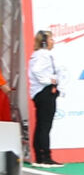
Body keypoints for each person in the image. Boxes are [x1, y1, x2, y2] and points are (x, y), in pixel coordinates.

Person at [27, 30, 63, 167]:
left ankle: (40, 156)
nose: (53, 41)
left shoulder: (38, 55)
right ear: (44, 41)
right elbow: (37, 71)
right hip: (44, 92)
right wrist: (51, 80)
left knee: (42, 125)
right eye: (51, 39)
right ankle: (45, 156)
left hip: (41, 92)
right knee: (44, 126)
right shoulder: (43, 55)